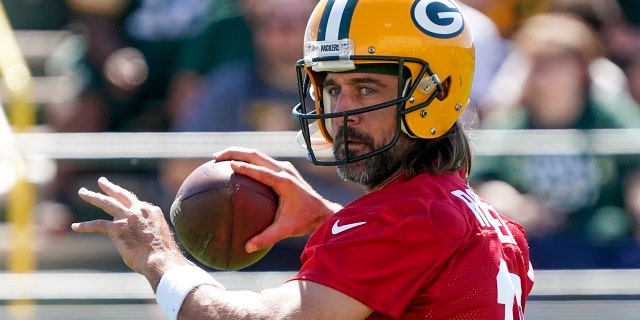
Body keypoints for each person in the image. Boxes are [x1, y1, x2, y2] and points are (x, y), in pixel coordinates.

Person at [71, 0, 534, 319]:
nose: (341, 111)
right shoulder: (481, 218)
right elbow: (416, 266)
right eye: (331, 88)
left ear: (439, 92)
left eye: (366, 88)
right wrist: (330, 217)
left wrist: (159, 257)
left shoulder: (406, 219)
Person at [470, 12, 640, 268]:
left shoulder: (611, 116)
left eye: (557, 61)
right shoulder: (511, 122)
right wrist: (518, 205)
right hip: (533, 245)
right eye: (538, 61)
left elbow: (635, 173)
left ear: (582, 66)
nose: (545, 72)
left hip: (604, 242)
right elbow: (482, 183)